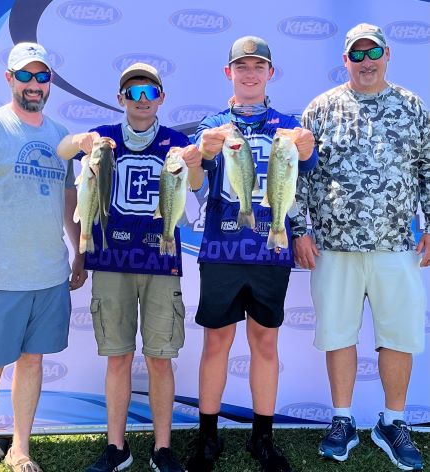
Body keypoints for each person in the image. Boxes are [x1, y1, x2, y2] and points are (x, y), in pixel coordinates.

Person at [291, 23, 430, 471]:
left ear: (387, 55)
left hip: (396, 246)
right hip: (334, 246)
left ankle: (393, 422)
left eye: (374, 53)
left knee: (399, 335)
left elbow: (427, 168)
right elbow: (299, 173)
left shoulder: (412, 107)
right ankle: (343, 419)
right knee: (337, 332)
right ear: (345, 60)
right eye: (357, 54)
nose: (366, 61)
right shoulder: (321, 108)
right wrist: (299, 229)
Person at [57, 62, 203, 472]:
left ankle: (162, 448)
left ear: (161, 98)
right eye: (132, 93)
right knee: (118, 357)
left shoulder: (177, 141)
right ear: (121, 98)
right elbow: (62, 151)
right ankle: (116, 447)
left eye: (149, 92)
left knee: (160, 359)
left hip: (162, 262)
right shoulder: (101, 139)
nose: (141, 100)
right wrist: (79, 142)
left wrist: (191, 162)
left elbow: (193, 188)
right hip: (111, 262)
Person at [186, 36, 318, 472]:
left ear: (270, 73)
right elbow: (193, 185)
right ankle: (208, 438)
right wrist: (197, 157)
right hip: (221, 250)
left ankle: (263, 438)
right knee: (216, 344)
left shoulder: (289, 124)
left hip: (271, 251)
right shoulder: (212, 124)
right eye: (241, 66)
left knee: (265, 342)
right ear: (229, 73)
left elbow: (306, 176)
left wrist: (308, 148)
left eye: (257, 66)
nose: (249, 73)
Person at [0, 42, 87, 472]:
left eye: (42, 77)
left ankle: (20, 449)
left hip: (48, 274)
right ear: (9, 79)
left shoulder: (60, 136)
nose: (34, 84)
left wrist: (80, 250)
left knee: (32, 363)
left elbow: (69, 198)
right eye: (25, 75)